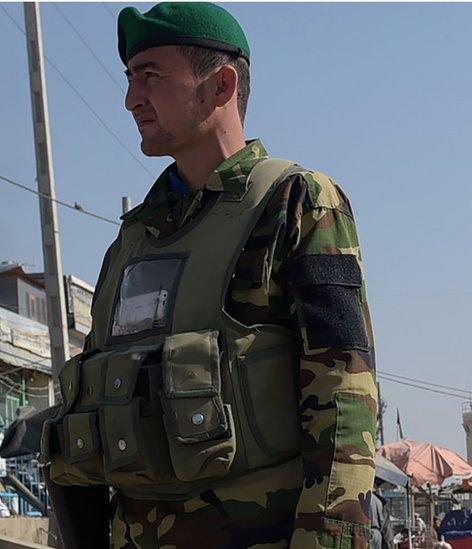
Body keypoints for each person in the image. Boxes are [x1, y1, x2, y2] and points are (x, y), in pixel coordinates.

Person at [33, 3, 378, 547]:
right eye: (129, 79)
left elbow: (344, 402)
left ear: (220, 86)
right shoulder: (129, 243)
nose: (130, 99)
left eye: (150, 76)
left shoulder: (297, 204)